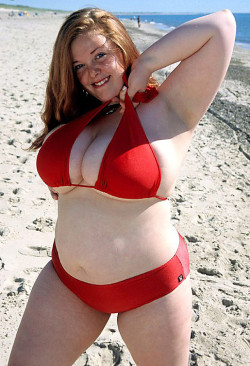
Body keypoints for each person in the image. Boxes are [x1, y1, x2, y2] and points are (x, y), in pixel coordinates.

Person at [8, 7, 236, 366]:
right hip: (68, 284)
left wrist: (143, 68)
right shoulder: (75, 117)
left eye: (101, 55)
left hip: (151, 290)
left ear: (121, 48)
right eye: (79, 65)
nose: (92, 71)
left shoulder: (168, 109)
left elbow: (221, 25)